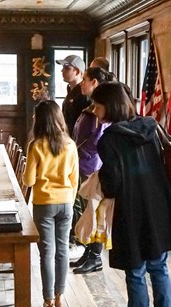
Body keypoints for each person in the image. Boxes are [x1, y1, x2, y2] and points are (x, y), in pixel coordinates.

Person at [93, 82, 171, 307]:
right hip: (158, 207)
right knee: (160, 269)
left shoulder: (109, 139)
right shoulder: (151, 126)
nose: (95, 111)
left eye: (98, 106)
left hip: (130, 211)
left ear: (109, 106)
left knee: (135, 272)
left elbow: (111, 187)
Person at [23, 100, 78, 307]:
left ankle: (47, 305)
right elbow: (74, 180)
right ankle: (59, 297)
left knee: (47, 252)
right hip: (66, 202)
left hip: (44, 203)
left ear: (40, 119)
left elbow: (28, 180)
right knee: (62, 249)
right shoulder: (71, 145)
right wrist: (69, 201)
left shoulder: (36, 145)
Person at [70, 68, 116, 274]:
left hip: (89, 166)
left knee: (93, 211)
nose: (82, 83)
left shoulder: (99, 113)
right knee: (86, 211)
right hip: (82, 164)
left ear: (95, 82)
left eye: (85, 80)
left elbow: (97, 140)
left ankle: (95, 255)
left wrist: (79, 155)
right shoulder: (90, 109)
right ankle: (88, 252)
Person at [55, 54, 90, 259]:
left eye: (66, 68)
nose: (62, 71)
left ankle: (78, 239)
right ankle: (74, 236)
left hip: (79, 152)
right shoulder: (70, 92)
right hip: (69, 147)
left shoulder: (83, 95)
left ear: (77, 71)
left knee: (78, 196)